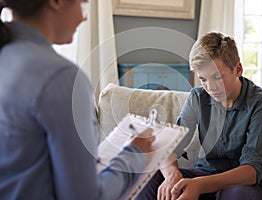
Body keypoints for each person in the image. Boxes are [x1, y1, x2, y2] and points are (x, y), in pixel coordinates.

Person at [0, 0, 155, 199]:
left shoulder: (7, 57)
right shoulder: (60, 76)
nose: (84, 16)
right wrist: (134, 155)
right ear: (56, 2)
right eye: (82, 4)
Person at [136, 32, 262, 200]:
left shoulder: (261, 103)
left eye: (217, 77)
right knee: (147, 178)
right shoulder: (197, 98)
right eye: (203, 79)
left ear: (237, 69)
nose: (211, 87)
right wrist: (171, 174)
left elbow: (251, 170)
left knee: (239, 196)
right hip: (203, 174)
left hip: (241, 184)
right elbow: (169, 146)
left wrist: (200, 185)